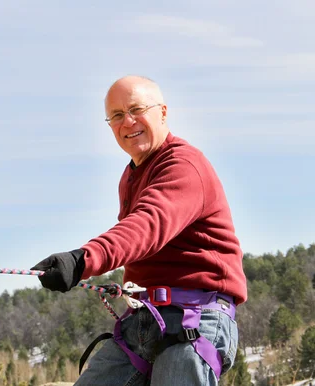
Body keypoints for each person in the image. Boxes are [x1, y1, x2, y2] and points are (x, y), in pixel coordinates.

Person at [31, 75, 248, 385]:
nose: (128, 121)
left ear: (162, 112)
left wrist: (82, 261)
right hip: (147, 318)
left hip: (196, 317)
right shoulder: (132, 175)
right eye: (117, 115)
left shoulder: (184, 165)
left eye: (136, 109)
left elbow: (146, 226)